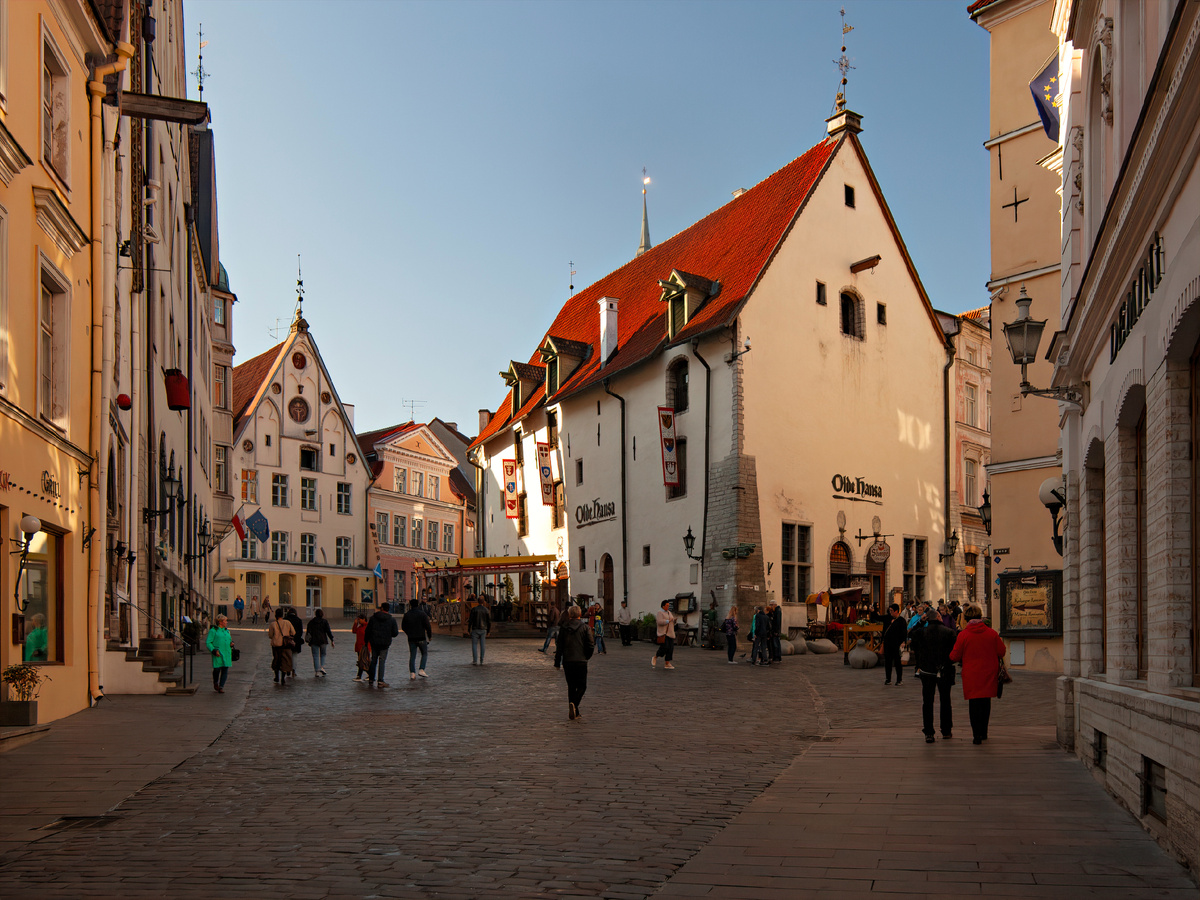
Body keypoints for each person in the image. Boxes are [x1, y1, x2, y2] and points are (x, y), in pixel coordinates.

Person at [950, 604, 1007, 744]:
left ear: (967, 617)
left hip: (971, 674)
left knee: (974, 703)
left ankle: (976, 735)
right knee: (986, 702)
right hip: (989, 672)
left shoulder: (963, 635)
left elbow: (955, 656)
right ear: (980, 616)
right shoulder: (992, 633)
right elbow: (1002, 651)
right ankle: (983, 731)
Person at [908, 604, 958, 743]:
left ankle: (929, 732)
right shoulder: (949, 632)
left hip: (926, 670)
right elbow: (955, 652)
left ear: (926, 618)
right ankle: (946, 730)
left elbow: (910, 635)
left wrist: (921, 622)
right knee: (945, 700)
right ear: (938, 617)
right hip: (944, 669)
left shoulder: (922, 632)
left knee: (928, 702)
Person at [554, 606, 595, 720]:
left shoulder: (564, 628)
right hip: (581, 661)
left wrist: (557, 662)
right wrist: (587, 656)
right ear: (580, 614)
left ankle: (574, 711)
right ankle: (575, 705)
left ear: (570, 614)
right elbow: (591, 644)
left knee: (571, 686)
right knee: (582, 686)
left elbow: (559, 646)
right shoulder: (585, 628)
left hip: (568, 661)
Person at [365, 602, 399, 687]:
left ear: (381, 608)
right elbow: (395, 633)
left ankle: (371, 679)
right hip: (385, 643)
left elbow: (368, 630)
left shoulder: (373, 618)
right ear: (388, 609)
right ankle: (380, 680)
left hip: (374, 642)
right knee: (382, 661)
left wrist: (366, 641)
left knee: (374, 660)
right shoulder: (391, 619)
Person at [402, 598, 433, 680]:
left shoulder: (407, 614)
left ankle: (412, 673)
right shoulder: (422, 614)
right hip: (421, 637)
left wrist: (409, 633)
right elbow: (428, 626)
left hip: (411, 638)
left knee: (412, 655)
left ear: (410, 605)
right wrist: (429, 636)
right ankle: (421, 669)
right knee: (424, 653)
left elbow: (403, 627)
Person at [206, 613, 233, 693]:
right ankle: (215, 682)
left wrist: (231, 643)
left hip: (227, 652)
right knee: (217, 669)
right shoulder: (214, 630)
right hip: (218, 652)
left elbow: (229, 640)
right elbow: (208, 642)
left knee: (225, 669)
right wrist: (213, 650)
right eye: (225, 621)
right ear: (220, 622)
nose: (226, 622)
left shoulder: (227, 631)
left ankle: (221, 686)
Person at [881, 603, 907, 686]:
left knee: (897, 662)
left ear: (896, 611)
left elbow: (904, 633)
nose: (890, 612)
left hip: (896, 644)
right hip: (888, 644)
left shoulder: (901, 620)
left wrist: (903, 642)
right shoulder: (888, 619)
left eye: (892, 611)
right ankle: (888, 679)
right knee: (888, 662)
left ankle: (899, 679)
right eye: (889, 611)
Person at [267, 609, 295, 685]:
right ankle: (283, 677)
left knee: (276, 660)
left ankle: (276, 676)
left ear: (276, 615)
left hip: (276, 645)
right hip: (286, 645)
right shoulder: (287, 623)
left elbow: (270, 635)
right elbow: (293, 632)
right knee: (285, 661)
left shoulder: (273, 624)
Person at [305, 608, 335, 676]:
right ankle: (322, 667)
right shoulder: (324, 621)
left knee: (315, 656)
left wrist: (308, 639)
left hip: (314, 640)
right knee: (323, 654)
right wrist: (332, 640)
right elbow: (328, 631)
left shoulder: (311, 622)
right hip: (323, 640)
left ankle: (316, 671)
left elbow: (308, 632)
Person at [652, 599, 677, 670]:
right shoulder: (660, 612)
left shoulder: (669, 612)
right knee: (665, 647)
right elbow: (659, 622)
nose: (668, 607)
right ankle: (656, 656)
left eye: (668, 605)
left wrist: (674, 621)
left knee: (670, 648)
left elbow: (671, 621)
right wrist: (667, 621)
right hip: (663, 633)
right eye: (667, 605)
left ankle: (667, 663)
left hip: (670, 632)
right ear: (663, 606)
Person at [468, 597, 491, 665]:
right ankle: (482, 660)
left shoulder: (474, 609)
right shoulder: (486, 610)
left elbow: (470, 620)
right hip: (483, 629)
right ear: (483, 602)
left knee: (474, 645)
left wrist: (468, 629)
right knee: (482, 645)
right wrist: (488, 631)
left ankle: (475, 660)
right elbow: (489, 621)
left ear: (477, 602)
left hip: (475, 628)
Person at [284, 607, 304, 678]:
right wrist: (296, 638)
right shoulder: (298, 620)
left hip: (286, 640)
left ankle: (287, 669)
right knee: (294, 655)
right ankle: (293, 669)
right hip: (296, 640)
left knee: (287, 656)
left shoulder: (285, 620)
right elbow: (301, 632)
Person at [351, 611, 370, 681]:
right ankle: (369, 674)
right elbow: (354, 631)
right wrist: (355, 624)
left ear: (363, 619)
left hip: (364, 646)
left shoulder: (367, 626)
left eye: (359, 619)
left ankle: (359, 676)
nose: (358, 621)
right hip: (359, 646)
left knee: (362, 662)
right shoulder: (359, 627)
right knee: (362, 661)